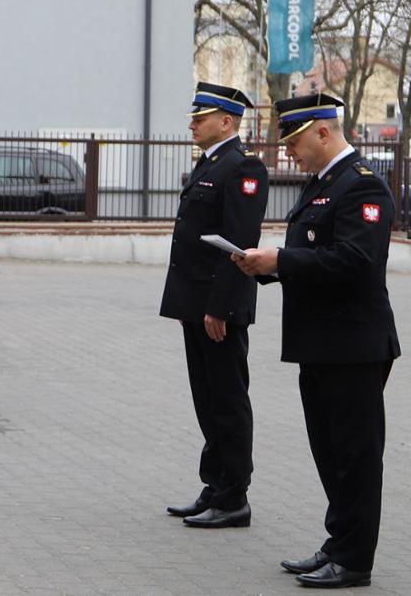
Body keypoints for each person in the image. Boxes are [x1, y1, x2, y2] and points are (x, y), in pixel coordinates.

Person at [233, 93, 400, 589]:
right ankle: (337, 543)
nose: (288, 151)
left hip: (354, 346)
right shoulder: (324, 185)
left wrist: (279, 262)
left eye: (295, 140)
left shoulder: (362, 187)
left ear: (324, 132)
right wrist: (264, 266)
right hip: (320, 344)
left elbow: (355, 261)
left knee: (355, 456)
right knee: (330, 452)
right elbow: (314, 253)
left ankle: (354, 560)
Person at [160, 82, 268, 529]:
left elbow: (240, 245)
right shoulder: (209, 165)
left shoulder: (242, 169)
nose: (192, 123)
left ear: (226, 122)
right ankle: (215, 484)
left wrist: (220, 308)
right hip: (195, 301)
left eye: (200, 118)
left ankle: (234, 495)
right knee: (206, 398)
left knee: (227, 399)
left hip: (218, 307)